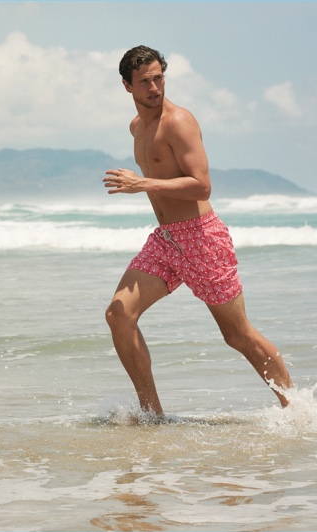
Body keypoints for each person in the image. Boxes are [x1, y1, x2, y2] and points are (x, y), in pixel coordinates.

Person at [102, 45, 293, 416]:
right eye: (145, 82)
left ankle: (298, 409)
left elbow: (201, 186)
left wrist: (144, 184)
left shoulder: (179, 122)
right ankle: (152, 415)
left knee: (237, 335)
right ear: (127, 86)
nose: (155, 87)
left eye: (159, 78)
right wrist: (148, 185)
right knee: (118, 315)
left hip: (202, 237)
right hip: (167, 239)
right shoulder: (137, 127)